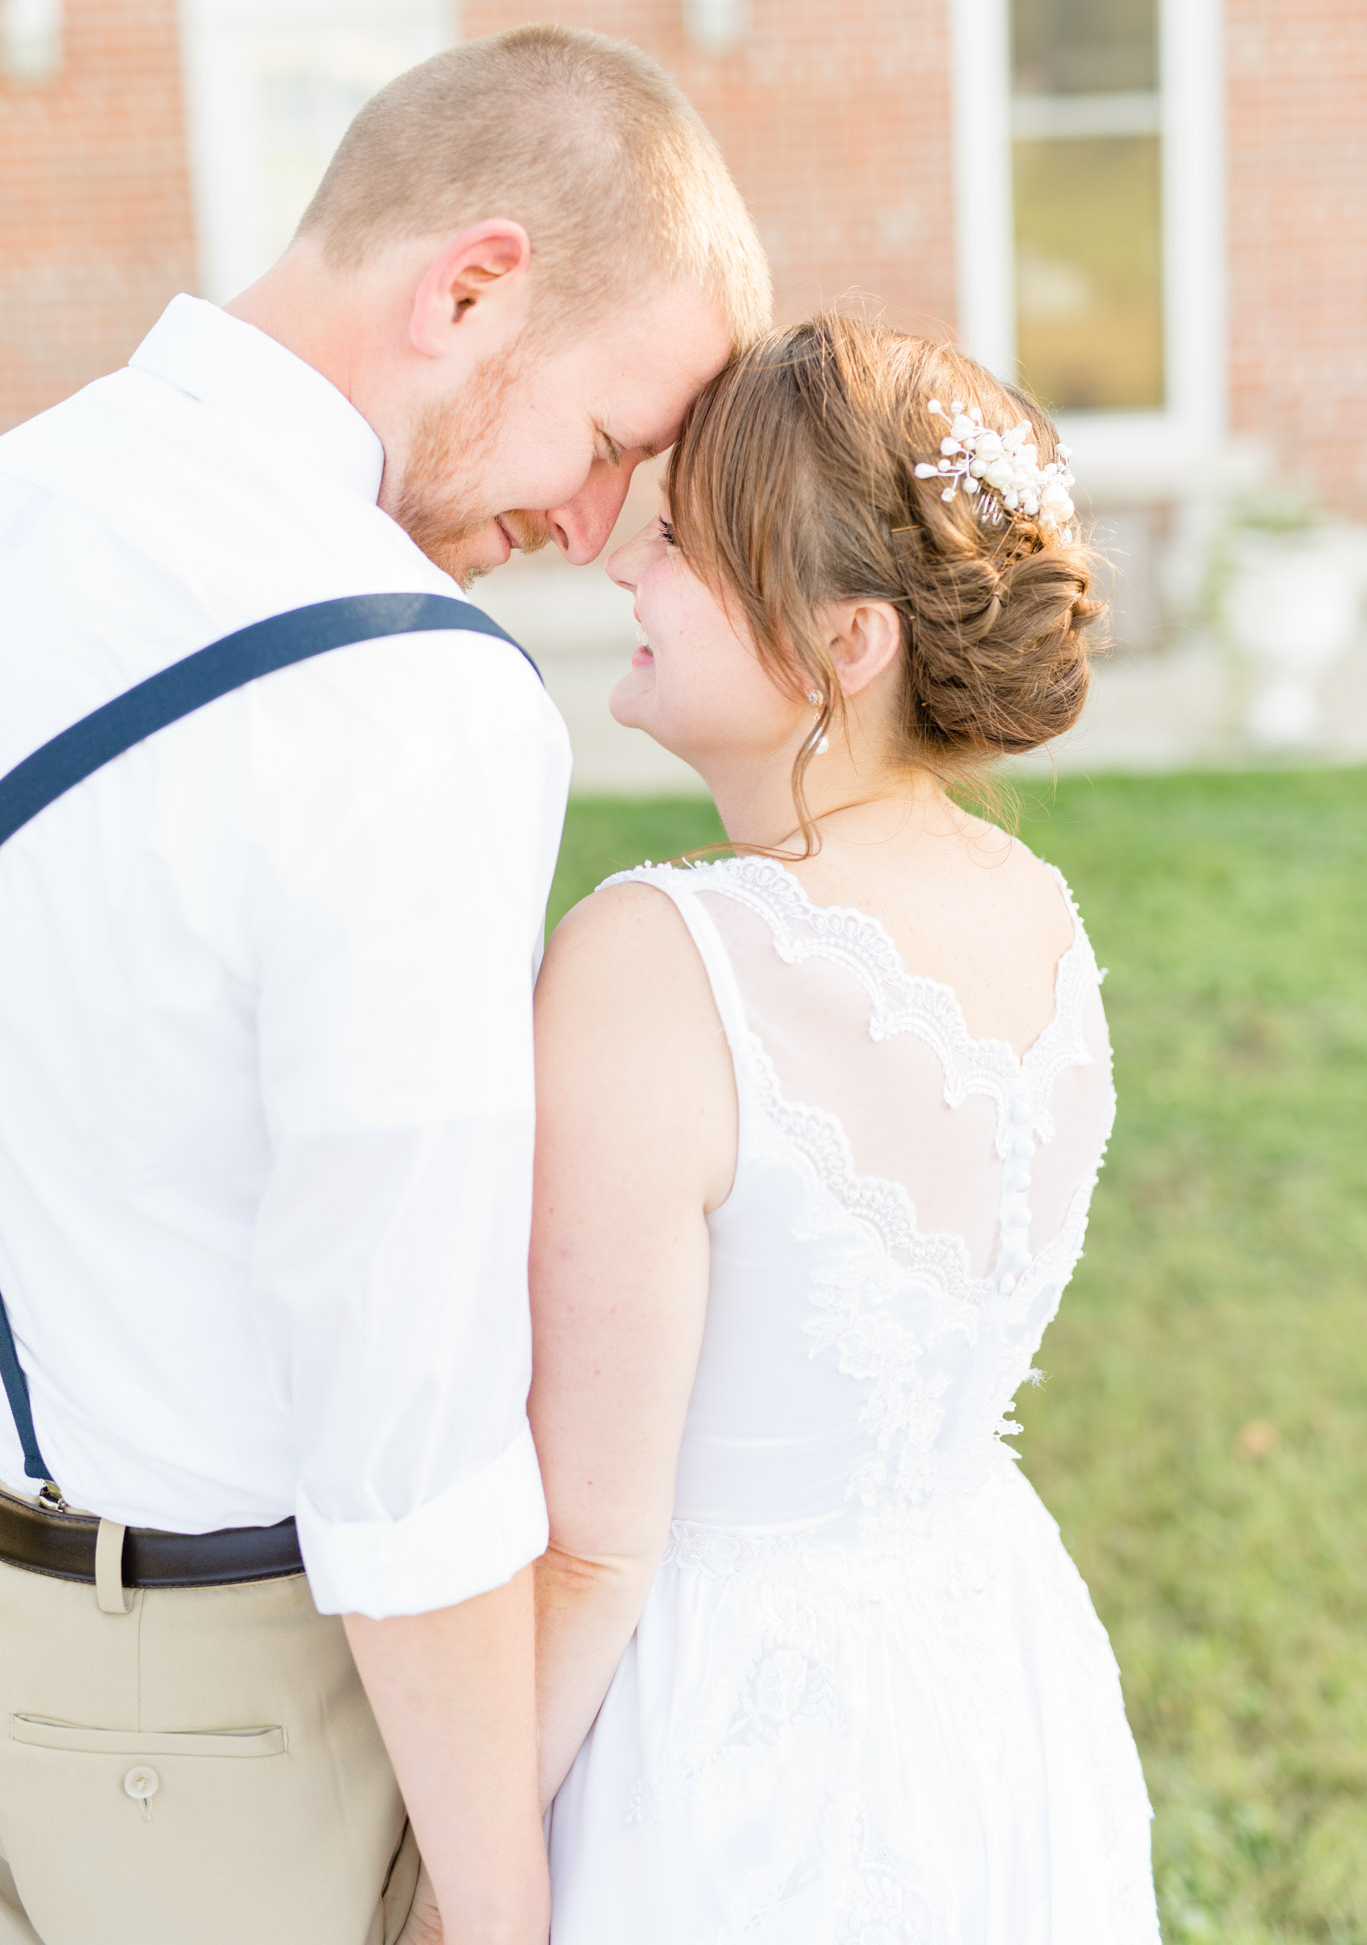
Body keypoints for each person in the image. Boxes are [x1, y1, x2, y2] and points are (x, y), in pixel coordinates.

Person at [0, 25, 769, 1945]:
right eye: (606, 445)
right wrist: (498, 1907)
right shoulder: (408, 695)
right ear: (473, 284)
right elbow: (407, 1405)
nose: (594, 533)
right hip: (239, 1715)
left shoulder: (31, 503)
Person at [531, 315, 1162, 1941]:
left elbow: (593, 1549)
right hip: (987, 1672)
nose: (621, 568)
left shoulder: (658, 964)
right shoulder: (1037, 911)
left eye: (677, 542)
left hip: (728, 1746)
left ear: (849, 638)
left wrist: (450, 1868)